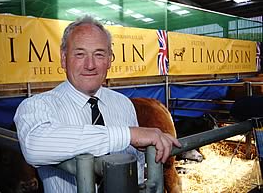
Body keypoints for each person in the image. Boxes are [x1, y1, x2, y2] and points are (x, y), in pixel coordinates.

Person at [14, 16, 181, 193]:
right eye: (80, 54)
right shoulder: (37, 106)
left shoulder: (124, 104)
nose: (90, 65)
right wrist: (127, 135)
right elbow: (34, 146)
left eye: (99, 54)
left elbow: (136, 169)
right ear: (63, 59)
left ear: (109, 59)